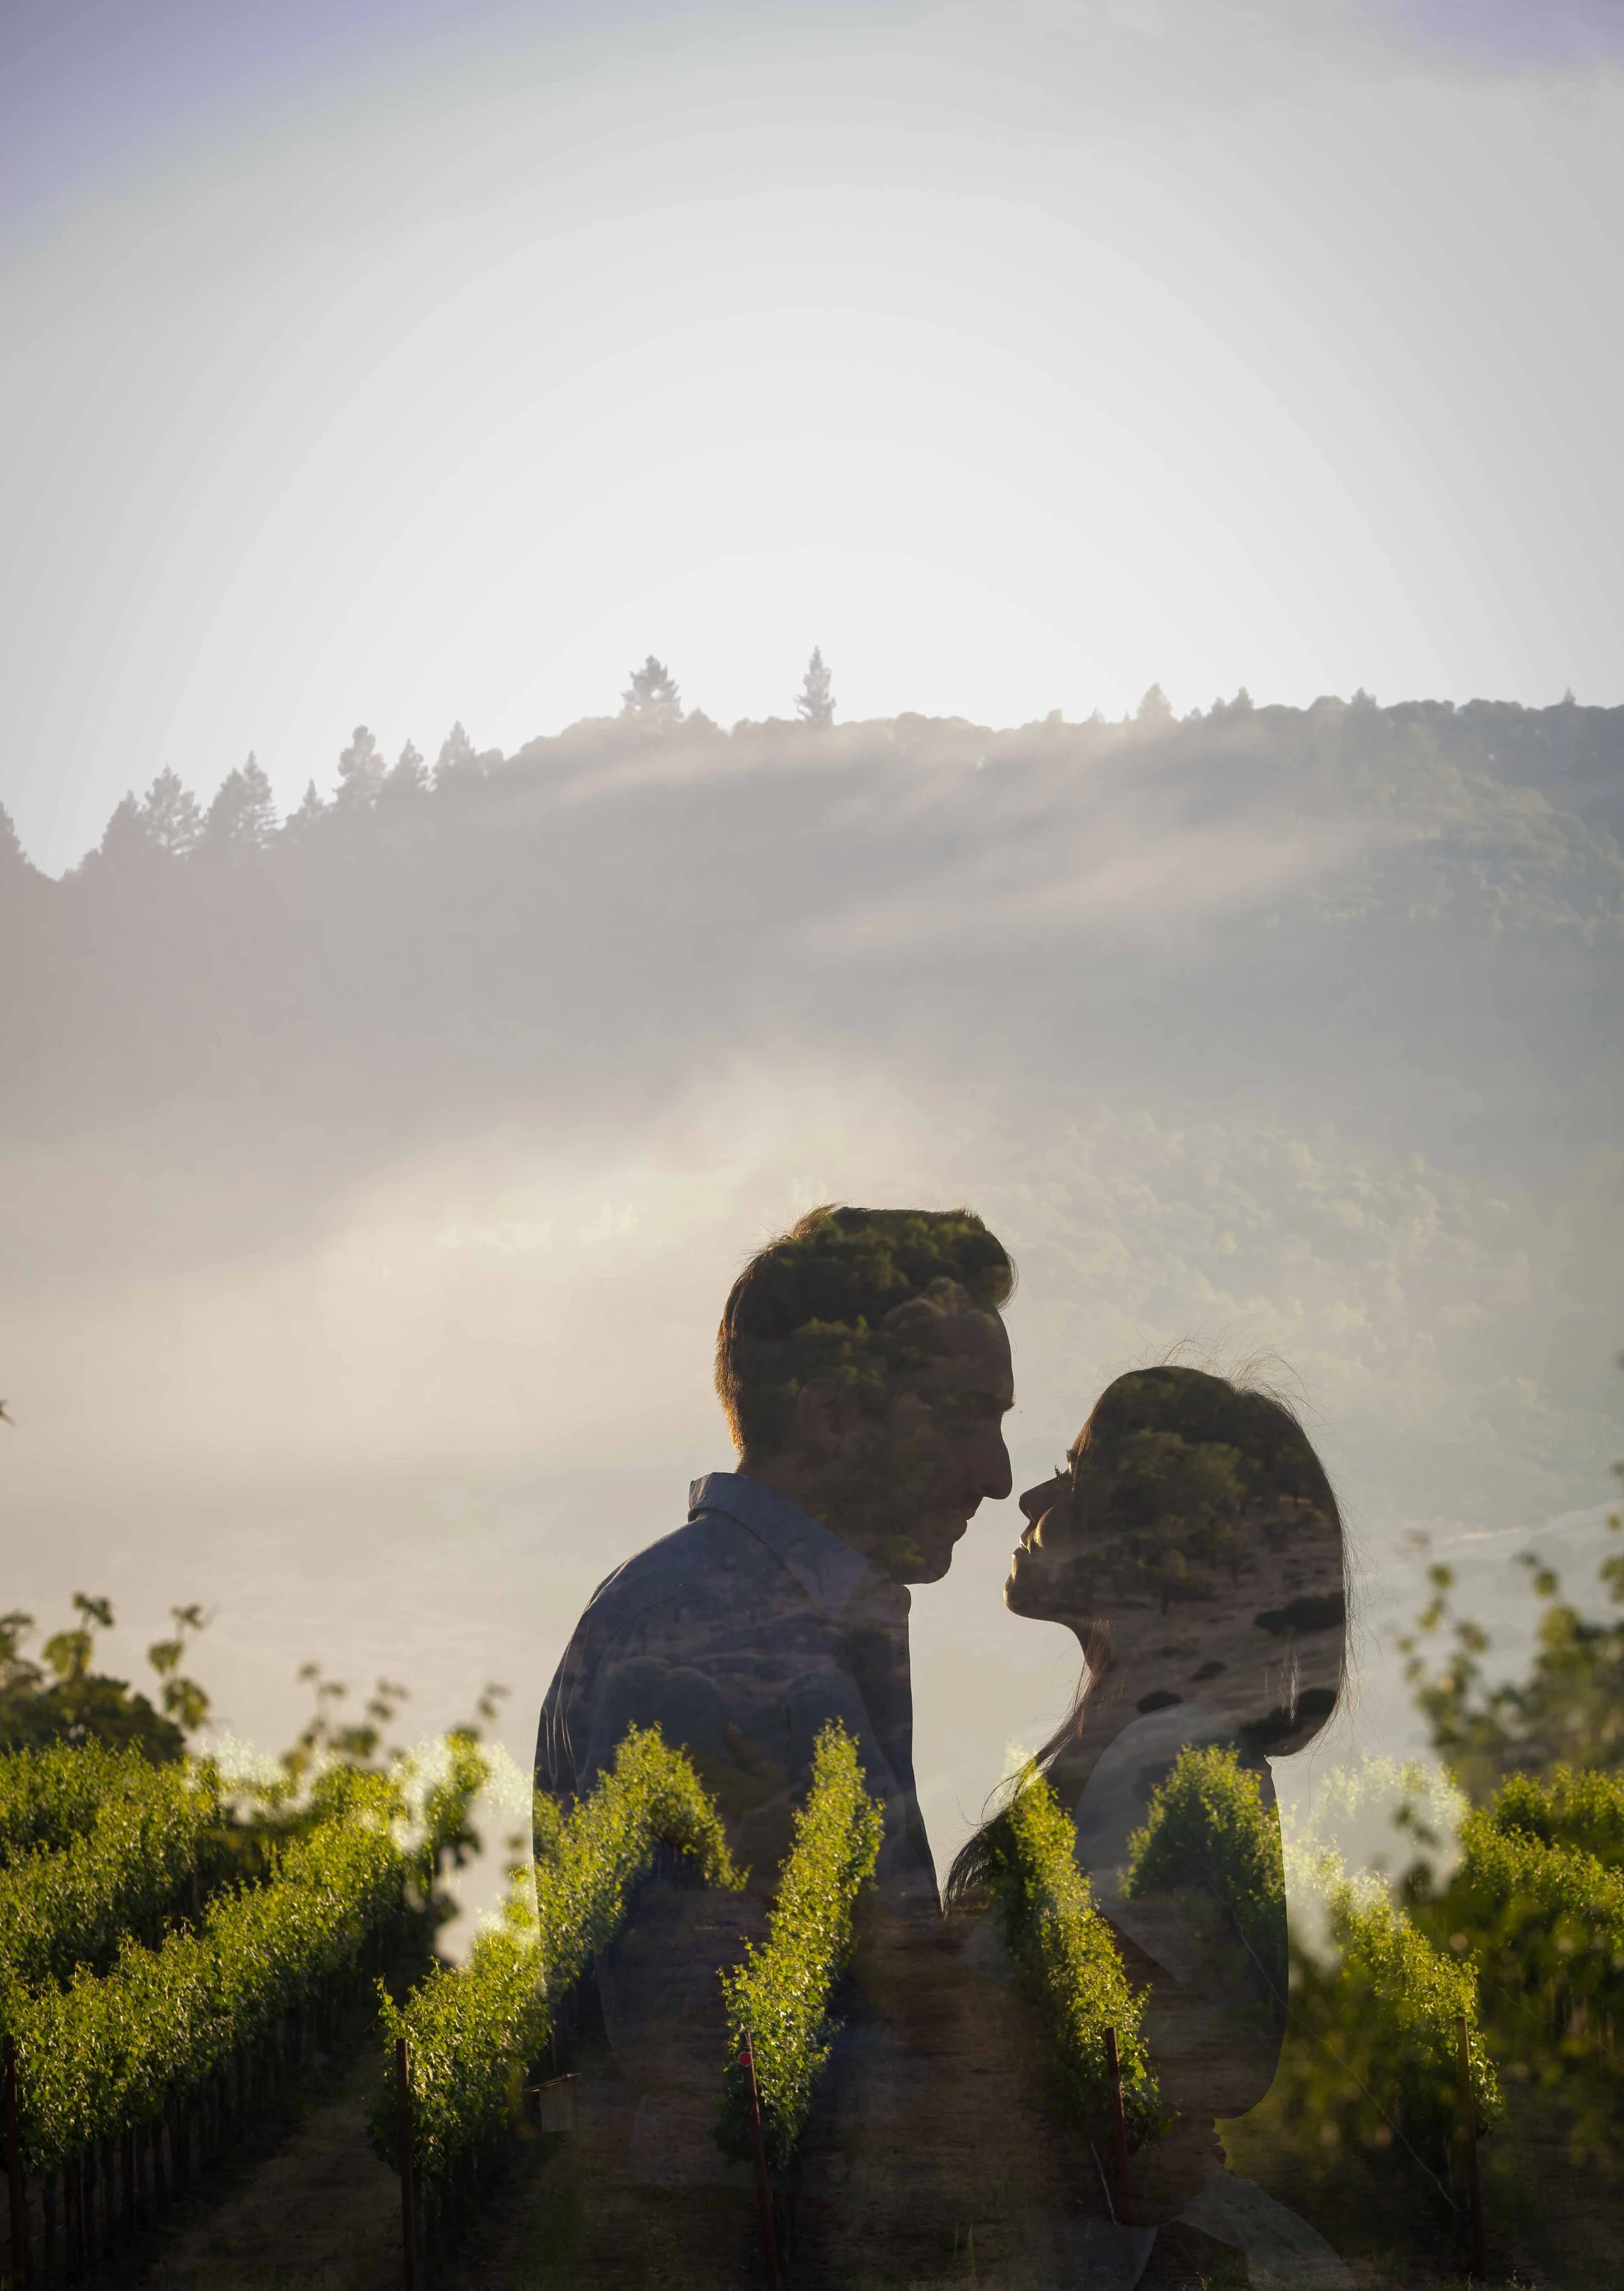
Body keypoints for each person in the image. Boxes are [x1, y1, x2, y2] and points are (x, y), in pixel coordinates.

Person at [534, 1204, 1015, 2227]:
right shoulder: (712, 1633)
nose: (998, 1474)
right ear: (835, 1412)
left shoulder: (787, 1612)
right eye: (966, 1415)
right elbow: (708, 2071)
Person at [942, 1364, 1354, 2290]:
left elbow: (1125, 2042)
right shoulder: (1142, 1753)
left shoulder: (1172, 1757)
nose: (1034, 1497)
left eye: (1077, 1479)